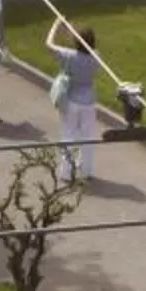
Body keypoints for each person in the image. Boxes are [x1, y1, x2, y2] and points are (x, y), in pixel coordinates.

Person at [45, 16, 103, 185]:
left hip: (70, 100)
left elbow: (48, 44)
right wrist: (71, 30)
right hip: (89, 102)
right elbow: (83, 46)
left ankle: (66, 173)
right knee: (88, 136)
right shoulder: (96, 57)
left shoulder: (68, 55)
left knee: (68, 135)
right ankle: (87, 171)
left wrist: (56, 25)